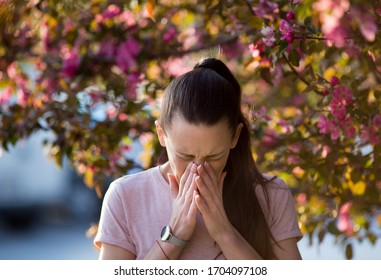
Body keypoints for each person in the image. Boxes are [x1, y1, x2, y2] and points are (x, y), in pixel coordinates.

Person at [94, 57, 303, 260]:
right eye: (185, 156)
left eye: (214, 156)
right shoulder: (126, 195)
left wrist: (225, 233)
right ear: (161, 134)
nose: (198, 168)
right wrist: (174, 237)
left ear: (235, 137)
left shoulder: (271, 194)